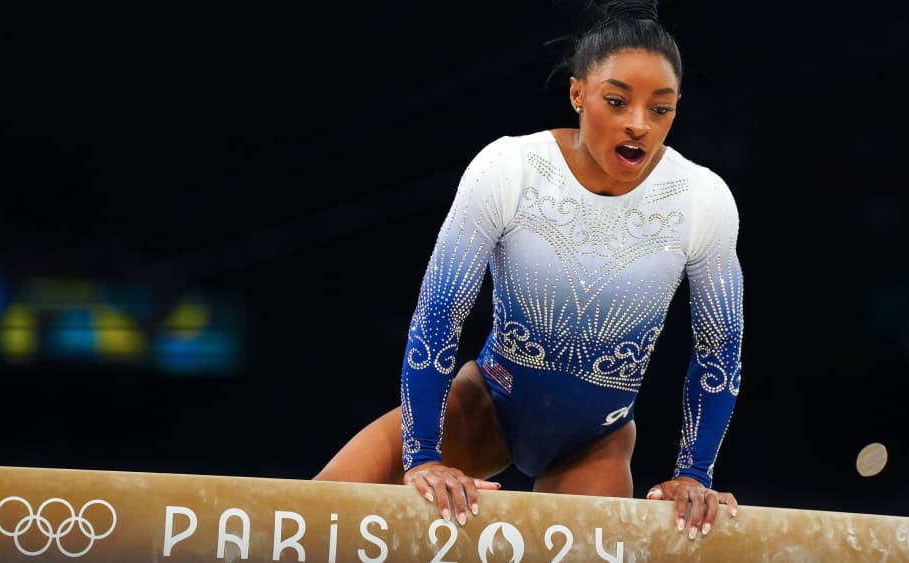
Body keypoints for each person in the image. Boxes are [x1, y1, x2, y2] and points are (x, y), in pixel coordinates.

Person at [315, 0, 743, 540]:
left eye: (661, 109)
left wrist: (694, 474)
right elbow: (439, 313)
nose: (639, 124)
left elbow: (720, 348)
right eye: (616, 101)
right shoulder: (511, 169)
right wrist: (423, 455)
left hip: (595, 440)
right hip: (485, 409)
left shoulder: (701, 199)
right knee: (312, 515)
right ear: (578, 93)